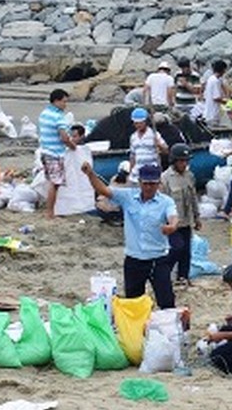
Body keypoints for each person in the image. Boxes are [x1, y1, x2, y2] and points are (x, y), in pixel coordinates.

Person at [81, 162, 178, 309]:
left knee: (166, 300)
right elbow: (104, 190)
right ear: (139, 182)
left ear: (159, 183)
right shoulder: (128, 196)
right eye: (146, 183)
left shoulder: (166, 202)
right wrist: (90, 174)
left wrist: (171, 226)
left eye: (153, 184)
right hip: (134, 259)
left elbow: (173, 216)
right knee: (132, 302)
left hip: (158, 258)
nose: (149, 187)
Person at [161, 143, 200, 287]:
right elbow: (161, 203)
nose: (184, 164)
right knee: (177, 248)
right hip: (172, 222)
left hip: (186, 220)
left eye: (186, 161)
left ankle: (183, 277)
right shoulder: (165, 178)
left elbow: (193, 197)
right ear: (174, 161)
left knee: (186, 252)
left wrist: (197, 217)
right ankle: (164, 272)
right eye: (181, 161)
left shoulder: (189, 176)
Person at [38, 88, 76, 219]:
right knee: (55, 183)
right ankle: (50, 212)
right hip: (55, 153)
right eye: (64, 102)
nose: (65, 105)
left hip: (45, 151)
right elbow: (64, 138)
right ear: (56, 101)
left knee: (52, 181)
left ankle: (52, 209)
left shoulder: (44, 113)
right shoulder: (58, 117)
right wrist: (73, 146)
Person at [128, 108, 168, 181]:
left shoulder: (154, 134)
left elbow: (166, 150)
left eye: (141, 123)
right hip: (136, 174)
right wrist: (130, 172)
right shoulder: (133, 137)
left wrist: (159, 144)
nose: (138, 125)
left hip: (151, 171)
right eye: (136, 123)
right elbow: (132, 157)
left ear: (145, 122)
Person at [203, 60, 229, 126]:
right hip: (213, 114)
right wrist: (227, 102)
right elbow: (216, 98)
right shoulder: (215, 81)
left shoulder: (212, 79)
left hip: (209, 113)